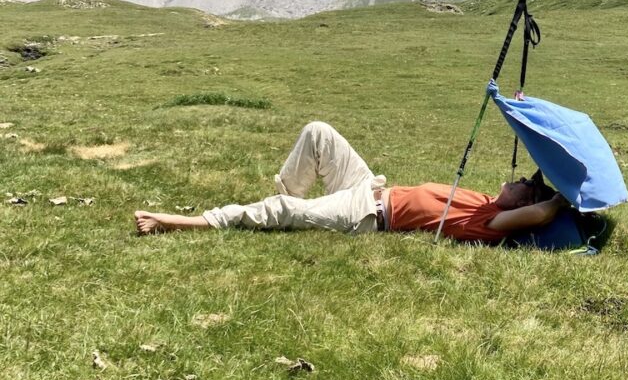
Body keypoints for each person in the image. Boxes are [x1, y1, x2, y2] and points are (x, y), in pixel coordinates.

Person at [134, 121, 570, 242]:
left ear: (523, 203)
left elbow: (544, 211)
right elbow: (533, 200)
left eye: (524, 184)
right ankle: (292, 210)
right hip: (368, 186)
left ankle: (175, 221)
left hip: (367, 214)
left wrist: (565, 199)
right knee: (318, 132)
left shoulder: (490, 224)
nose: (516, 179)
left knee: (285, 212)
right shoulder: (486, 200)